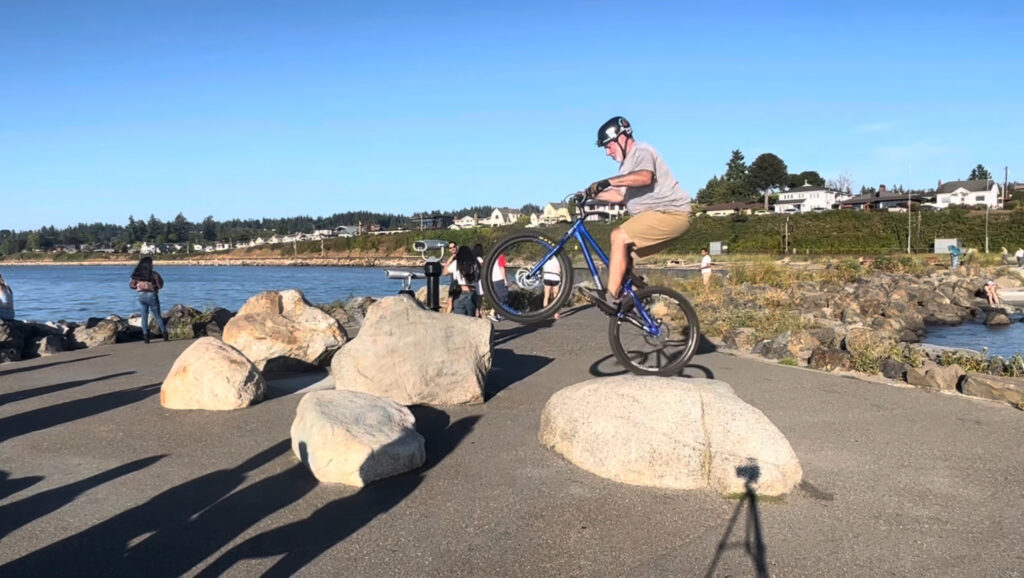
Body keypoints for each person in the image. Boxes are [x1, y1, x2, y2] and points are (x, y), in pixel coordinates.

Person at [579, 116, 691, 313]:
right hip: (658, 216)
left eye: (608, 146)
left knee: (618, 236)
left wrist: (608, 181)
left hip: (671, 213)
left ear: (621, 138)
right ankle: (641, 300)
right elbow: (619, 196)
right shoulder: (626, 166)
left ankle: (611, 297)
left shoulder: (641, 151)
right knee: (622, 260)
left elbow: (645, 177)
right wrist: (590, 194)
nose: (607, 152)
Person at [129, 256, 168, 343]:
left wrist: (138, 286)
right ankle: (165, 334)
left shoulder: (136, 275)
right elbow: (160, 285)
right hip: (152, 295)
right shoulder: (154, 274)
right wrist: (154, 286)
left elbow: (131, 285)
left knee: (144, 317)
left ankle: (146, 337)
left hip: (141, 295)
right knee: (158, 316)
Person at [447, 245, 481, 317]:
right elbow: (479, 277)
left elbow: (445, 272)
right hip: (472, 292)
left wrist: (449, 260)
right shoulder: (475, 263)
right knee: (471, 318)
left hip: (460, 292)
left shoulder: (456, 263)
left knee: (459, 318)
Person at [487, 252, 509, 322]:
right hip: (499, 279)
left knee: (497, 296)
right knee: (503, 296)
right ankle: (492, 312)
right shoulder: (500, 256)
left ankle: (500, 313)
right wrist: (505, 279)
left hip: (493, 279)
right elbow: (502, 268)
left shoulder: (492, 256)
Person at [472, 244, 486, 318]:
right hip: (479, 280)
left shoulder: (472, 259)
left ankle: (475, 311)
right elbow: (484, 269)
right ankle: (478, 311)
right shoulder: (480, 259)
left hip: (473, 280)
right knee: (479, 297)